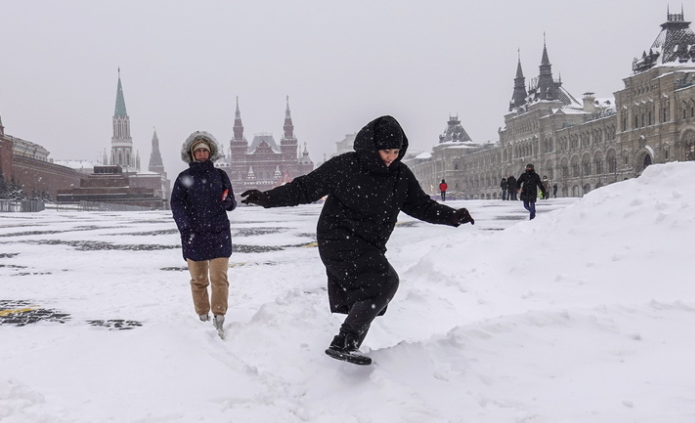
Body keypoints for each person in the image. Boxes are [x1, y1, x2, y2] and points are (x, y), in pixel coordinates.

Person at [240, 115, 474, 365]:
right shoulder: (346, 166)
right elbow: (305, 188)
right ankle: (345, 341)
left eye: (396, 151)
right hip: (337, 237)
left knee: (378, 288)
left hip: (368, 244)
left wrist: (451, 216)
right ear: (373, 147)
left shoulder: (399, 175)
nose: (391, 157)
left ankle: (346, 343)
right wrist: (267, 198)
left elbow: (420, 205)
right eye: (386, 151)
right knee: (385, 282)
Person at [171, 131, 237, 339]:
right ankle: (202, 318)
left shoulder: (220, 175)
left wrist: (228, 202)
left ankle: (219, 318)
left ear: (210, 153)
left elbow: (231, 202)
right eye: (198, 150)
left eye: (204, 151)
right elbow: (176, 204)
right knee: (198, 281)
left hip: (218, 232)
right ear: (192, 154)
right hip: (194, 235)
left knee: (219, 278)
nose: (201, 153)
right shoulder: (184, 178)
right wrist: (185, 226)